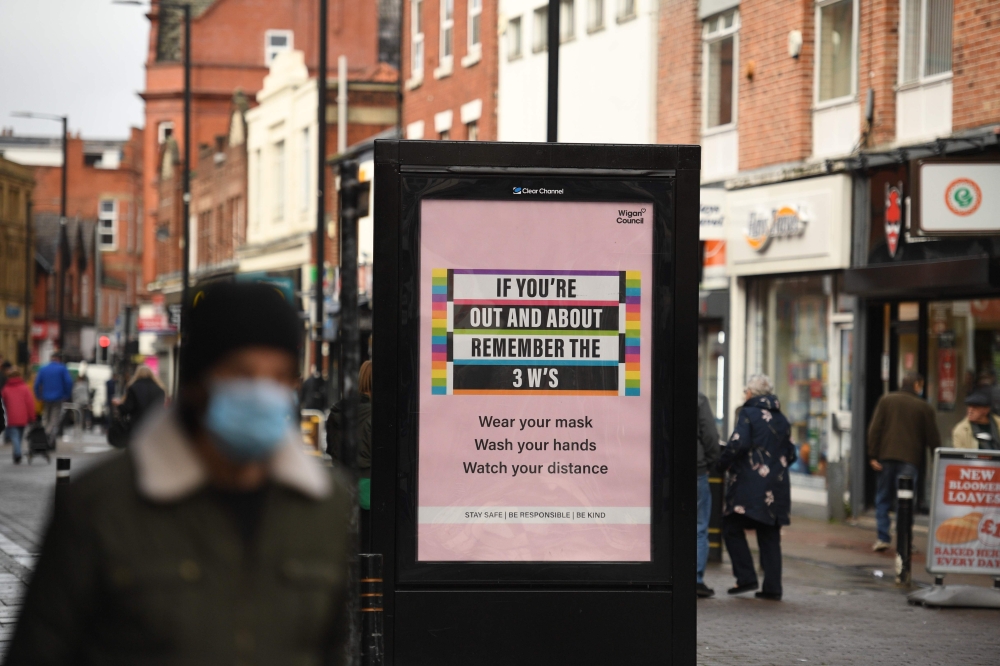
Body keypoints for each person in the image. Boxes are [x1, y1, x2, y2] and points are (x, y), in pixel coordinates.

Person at [6, 281, 351, 663]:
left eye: (279, 376)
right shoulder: (101, 505)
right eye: (241, 373)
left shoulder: (324, 505)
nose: (261, 392)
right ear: (198, 381)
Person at [720, 374, 796, 601]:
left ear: (751, 393)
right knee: (769, 534)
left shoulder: (748, 414)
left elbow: (737, 443)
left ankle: (746, 577)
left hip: (751, 486)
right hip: (778, 487)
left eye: (746, 391)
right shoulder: (782, 418)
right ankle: (772, 588)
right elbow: (791, 453)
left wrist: (721, 464)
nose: (745, 394)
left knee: (731, 526)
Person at [866, 371, 940, 552]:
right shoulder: (924, 407)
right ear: (916, 385)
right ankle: (904, 540)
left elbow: (875, 429)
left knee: (883, 497)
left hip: (886, 457)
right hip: (910, 459)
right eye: (921, 385)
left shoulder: (886, 400)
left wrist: (873, 455)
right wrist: (938, 458)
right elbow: (933, 437)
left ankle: (883, 537)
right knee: (905, 502)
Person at [327, 360, 373, 549]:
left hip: (345, 486)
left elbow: (332, 450)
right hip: (371, 490)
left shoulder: (339, 412)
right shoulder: (376, 413)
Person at [696, 392, 720, 598]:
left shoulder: (659, 393)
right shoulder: (700, 400)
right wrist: (712, 462)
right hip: (696, 471)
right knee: (699, 526)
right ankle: (695, 579)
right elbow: (710, 436)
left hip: (665, 471)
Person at [33, 351, 73, 443]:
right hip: (58, 397)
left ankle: (45, 435)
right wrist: (66, 394)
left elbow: (36, 384)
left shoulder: (43, 369)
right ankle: (48, 436)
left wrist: (39, 396)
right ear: (58, 359)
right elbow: (68, 382)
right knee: (54, 419)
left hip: (45, 397)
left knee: (46, 417)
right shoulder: (62, 368)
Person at [1, 369, 36, 464]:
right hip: (23, 417)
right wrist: (32, 416)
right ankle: (17, 452)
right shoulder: (25, 388)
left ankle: (17, 453)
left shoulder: (6, 389)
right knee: (19, 436)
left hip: (11, 417)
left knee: (14, 436)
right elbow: (30, 403)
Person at [117, 365, 167, 429]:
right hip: (154, 427)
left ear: (137, 374)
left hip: (137, 426)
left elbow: (128, 408)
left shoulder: (133, 388)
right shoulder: (160, 390)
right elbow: (161, 411)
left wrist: (119, 405)